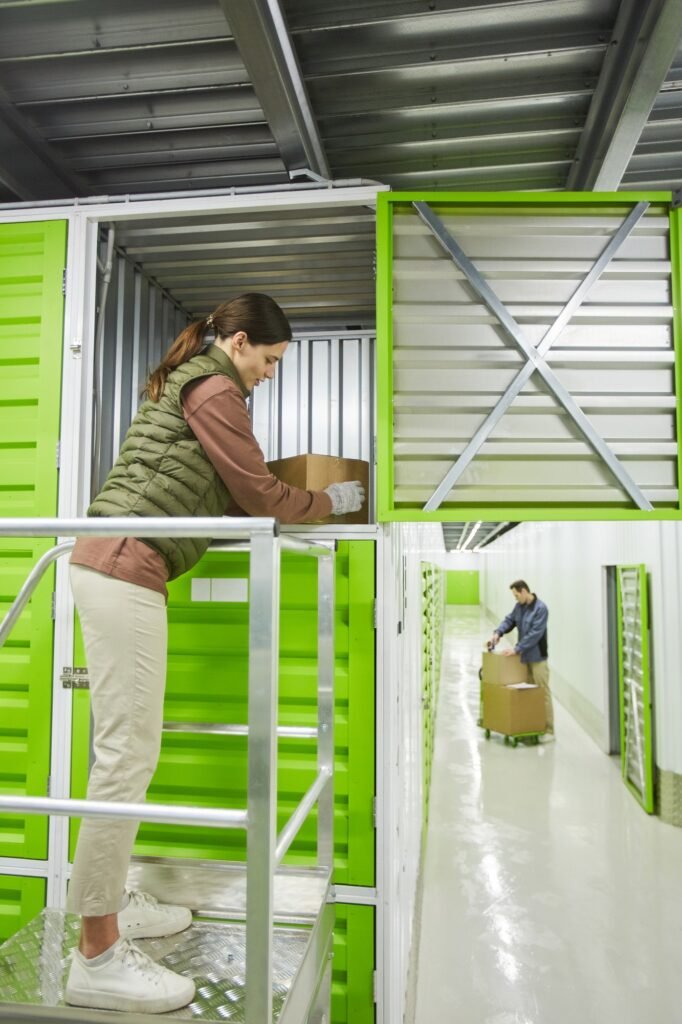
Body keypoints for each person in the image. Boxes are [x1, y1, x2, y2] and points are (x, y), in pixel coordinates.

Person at [65, 293, 365, 1014]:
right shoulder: (214, 386)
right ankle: (97, 949)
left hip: (123, 565)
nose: (269, 374)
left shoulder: (199, 381)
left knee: (129, 750)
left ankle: (113, 904)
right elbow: (259, 493)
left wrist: (287, 505)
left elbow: (229, 496)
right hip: (121, 567)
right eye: (268, 359)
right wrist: (334, 502)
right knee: (126, 754)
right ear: (237, 343)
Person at [488, 579, 554, 736]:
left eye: (516, 595)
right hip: (524, 658)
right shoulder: (519, 607)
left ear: (524, 591)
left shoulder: (541, 609)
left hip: (538, 659)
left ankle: (549, 730)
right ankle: (531, 727)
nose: (516, 599)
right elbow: (510, 620)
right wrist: (498, 633)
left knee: (542, 693)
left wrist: (517, 649)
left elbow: (535, 634)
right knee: (528, 694)